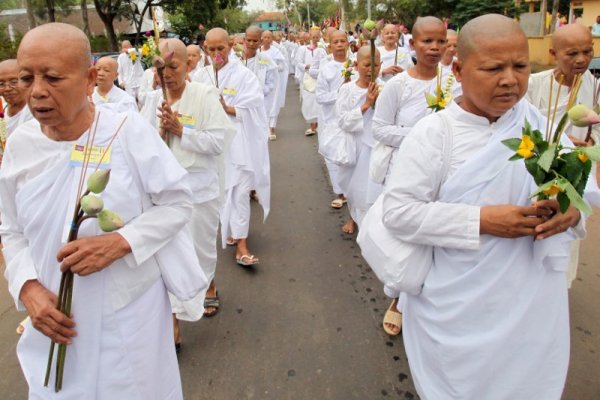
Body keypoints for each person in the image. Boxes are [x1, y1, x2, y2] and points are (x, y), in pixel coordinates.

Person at [378, 14, 585, 399]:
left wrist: (570, 207)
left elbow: (574, 184)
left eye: (520, 66)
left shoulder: (535, 123)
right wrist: (483, 221)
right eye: (494, 68)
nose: (510, 79)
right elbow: (399, 212)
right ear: (458, 69)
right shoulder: (434, 134)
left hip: (531, 303)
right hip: (459, 306)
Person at [2, 23, 205, 399]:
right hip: (55, 321)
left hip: (127, 319)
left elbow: (178, 201)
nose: (37, 92)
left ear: (90, 78)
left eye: (53, 78)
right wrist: (27, 286)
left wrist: (122, 241)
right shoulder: (20, 146)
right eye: (27, 78)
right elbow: (11, 230)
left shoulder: (127, 132)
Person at [141, 39, 235, 342]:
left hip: (199, 191)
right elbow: (142, 147)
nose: (167, 74)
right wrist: (160, 133)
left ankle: (207, 285)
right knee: (163, 256)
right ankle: (174, 319)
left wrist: (183, 131)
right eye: (161, 68)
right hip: (162, 196)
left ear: (188, 65)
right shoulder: (152, 101)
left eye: (173, 66)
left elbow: (219, 143)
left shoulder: (205, 95)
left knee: (199, 251)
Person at [371, 16, 448, 336]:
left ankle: (427, 299)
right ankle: (399, 298)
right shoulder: (398, 85)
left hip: (444, 171)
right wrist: (421, 135)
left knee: (437, 237)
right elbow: (379, 129)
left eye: (440, 41)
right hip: (404, 171)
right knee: (407, 239)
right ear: (412, 44)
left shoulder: (453, 81)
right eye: (427, 41)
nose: (434, 47)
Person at [526, 23, 598, 288]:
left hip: (574, 175)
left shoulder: (596, 87)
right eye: (572, 54)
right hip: (535, 172)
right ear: (553, 53)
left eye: (587, 52)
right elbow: (520, 128)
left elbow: (598, 131)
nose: (581, 60)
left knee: (564, 239)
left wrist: (589, 143)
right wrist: (555, 142)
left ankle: (554, 291)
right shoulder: (534, 84)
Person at [194, 28, 271, 266]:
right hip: (212, 146)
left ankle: (241, 243)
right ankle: (227, 229)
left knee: (240, 193)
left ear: (230, 46)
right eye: (212, 49)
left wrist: (226, 107)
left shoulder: (244, 75)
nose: (217, 54)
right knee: (220, 194)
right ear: (205, 49)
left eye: (221, 48)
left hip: (239, 144)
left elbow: (256, 106)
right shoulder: (200, 76)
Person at [335, 46, 383, 229]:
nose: (372, 70)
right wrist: (366, 105)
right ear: (356, 65)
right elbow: (342, 120)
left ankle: (370, 226)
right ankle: (353, 217)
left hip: (376, 146)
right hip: (354, 144)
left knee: (371, 188)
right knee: (352, 187)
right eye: (367, 65)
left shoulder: (386, 88)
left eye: (376, 65)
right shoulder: (347, 89)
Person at [315, 30, 355, 225]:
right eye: (335, 42)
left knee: (355, 159)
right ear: (330, 46)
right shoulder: (327, 69)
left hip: (357, 119)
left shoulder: (356, 64)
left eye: (343, 41)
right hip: (333, 120)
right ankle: (340, 192)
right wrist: (340, 93)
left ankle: (353, 197)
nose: (339, 45)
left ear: (348, 44)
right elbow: (321, 97)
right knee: (336, 159)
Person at [297, 28, 326, 136]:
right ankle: (312, 125)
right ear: (310, 37)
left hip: (320, 78)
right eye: (313, 37)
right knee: (309, 102)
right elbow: (298, 63)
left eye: (317, 37)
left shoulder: (323, 48)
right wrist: (306, 66)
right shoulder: (303, 49)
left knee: (319, 102)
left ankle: (318, 125)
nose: (315, 39)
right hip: (308, 79)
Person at [262, 30, 288, 140]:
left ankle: (272, 128)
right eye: (265, 37)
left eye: (269, 37)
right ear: (261, 39)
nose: (267, 39)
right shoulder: (258, 51)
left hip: (274, 82)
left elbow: (282, 66)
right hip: (261, 82)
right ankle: (264, 127)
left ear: (272, 39)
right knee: (262, 105)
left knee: (273, 104)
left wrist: (272, 67)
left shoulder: (276, 52)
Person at [0, 59, 33, 137]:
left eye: (14, 82)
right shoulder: (2, 110)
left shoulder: (35, 114)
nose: (7, 88)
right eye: (1, 84)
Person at [439, 29, 462, 99]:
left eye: (455, 46)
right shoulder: (431, 66)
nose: (452, 49)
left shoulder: (461, 64)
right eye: (448, 46)